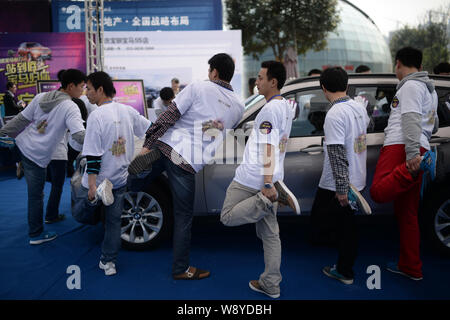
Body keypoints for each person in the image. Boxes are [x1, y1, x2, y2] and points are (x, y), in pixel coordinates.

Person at [128, 53, 244, 280]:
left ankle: (112, 189)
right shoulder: (239, 106)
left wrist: (147, 145)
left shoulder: (199, 87)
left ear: (214, 72)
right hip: (188, 162)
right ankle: (181, 269)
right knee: (183, 217)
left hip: (165, 147)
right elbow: (219, 129)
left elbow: (169, 116)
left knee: (132, 176)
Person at [220, 61, 300, 299]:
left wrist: (265, 185)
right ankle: (271, 284)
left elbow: (267, 146)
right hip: (273, 176)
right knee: (270, 234)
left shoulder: (268, 110)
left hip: (254, 178)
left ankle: (265, 202)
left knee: (226, 216)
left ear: (273, 82)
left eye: (261, 77)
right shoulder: (286, 106)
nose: (256, 81)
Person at [71, 71, 151, 276]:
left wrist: (90, 185)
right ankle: (109, 262)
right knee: (114, 222)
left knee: (81, 212)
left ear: (100, 89)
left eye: (88, 88)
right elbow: (151, 130)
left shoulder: (96, 115)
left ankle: (107, 258)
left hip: (99, 182)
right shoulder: (128, 111)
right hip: (119, 179)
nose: (86, 93)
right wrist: (145, 151)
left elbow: (94, 155)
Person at [370, 47, 438, 281]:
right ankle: (411, 267)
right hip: (419, 146)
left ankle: (415, 168)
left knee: (378, 192)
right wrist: (420, 147)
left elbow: (409, 120)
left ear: (398, 63)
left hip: (402, 147)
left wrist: (412, 158)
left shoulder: (409, 86)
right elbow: (433, 124)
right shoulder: (431, 90)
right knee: (407, 213)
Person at [0, 69, 87, 245]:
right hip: (37, 155)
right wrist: (105, 141)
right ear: (71, 86)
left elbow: (20, 120)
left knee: (36, 194)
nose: (83, 90)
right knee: (36, 196)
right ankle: (36, 234)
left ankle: (21, 166)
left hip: (23, 145)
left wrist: (1, 132)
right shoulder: (70, 106)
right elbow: (79, 135)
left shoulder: (41, 96)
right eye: (81, 86)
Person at [309, 67, 371, 285]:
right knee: (344, 225)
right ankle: (344, 265)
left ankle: (345, 270)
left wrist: (342, 189)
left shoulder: (334, 113)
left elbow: (336, 153)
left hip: (338, 182)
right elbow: (360, 137)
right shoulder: (358, 108)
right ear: (346, 85)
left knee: (329, 225)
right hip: (357, 176)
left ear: (323, 89)